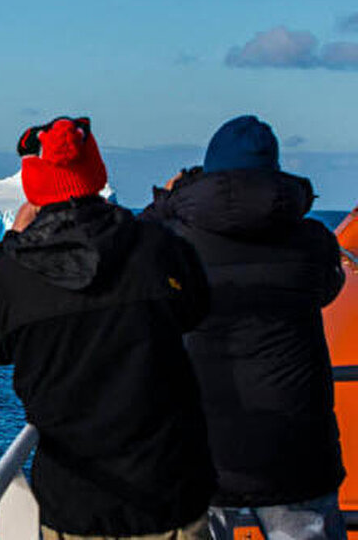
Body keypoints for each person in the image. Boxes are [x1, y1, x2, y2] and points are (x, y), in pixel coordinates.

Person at [0, 116, 216, 540]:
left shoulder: (15, 274)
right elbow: (196, 310)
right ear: (95, 174)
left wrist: (7, 247)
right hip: (169, 489)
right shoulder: (159, 248)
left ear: (35, 186)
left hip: (76, 500)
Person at [141, 115, 346, 540]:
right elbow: (329, 288)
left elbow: (132, 251)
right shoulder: (312, 240)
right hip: (297, 450)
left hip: (202, 451)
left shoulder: (175, 241)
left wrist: (168, 201)